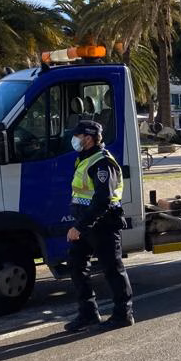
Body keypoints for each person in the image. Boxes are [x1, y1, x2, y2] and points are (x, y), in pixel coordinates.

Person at [64, 120, 134, 332]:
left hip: (103, 224)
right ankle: (88, 313)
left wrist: (79, 226)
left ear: (88, 137)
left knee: (113, 269)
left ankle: (124, 314)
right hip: (86, 224)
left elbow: (103, 200)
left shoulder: (103, 163)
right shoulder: (85, 159)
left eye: (77, 135)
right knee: (77, 266)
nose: (74, 139)